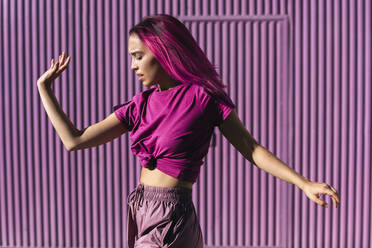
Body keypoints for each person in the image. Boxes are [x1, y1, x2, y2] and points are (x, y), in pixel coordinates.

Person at [37, 14, 340, 248]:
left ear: (163, 52)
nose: (132, 66)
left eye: (138, 56)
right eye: (131, 57)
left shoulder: (203, 98)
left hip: (171, 217)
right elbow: (73, 140)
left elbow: (251, 148)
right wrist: (44, 88)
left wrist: (303, 183)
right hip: (140, 208)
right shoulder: (138, 105)